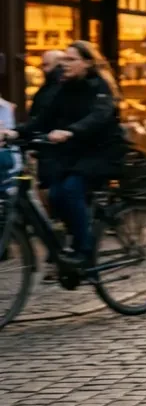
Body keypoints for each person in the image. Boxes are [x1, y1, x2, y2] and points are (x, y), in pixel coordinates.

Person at [2, 41, 127, 267]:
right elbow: (43, 119)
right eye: (64, 60)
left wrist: (70, 131)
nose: (65, 64)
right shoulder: (64, 87)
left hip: (103, 152)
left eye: (71, 60)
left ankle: (85, 251)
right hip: (76, 153)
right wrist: (14, 132)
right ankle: (75, 240)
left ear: (87, 62)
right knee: (56, 195)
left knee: (70, 190)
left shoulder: (100, 87)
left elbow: (98, 117)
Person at [29, 50, 65, 191]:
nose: (43, 69)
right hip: (47, 146)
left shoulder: (58, 88)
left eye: (47, 65)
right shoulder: (50, 86)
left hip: (53, 148)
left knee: (56, 192)